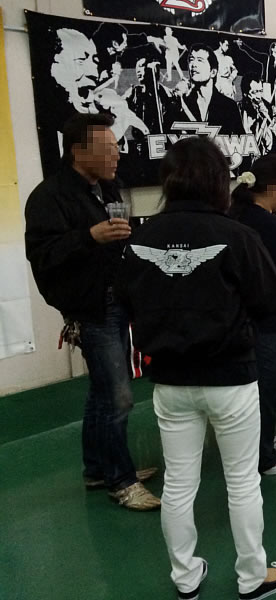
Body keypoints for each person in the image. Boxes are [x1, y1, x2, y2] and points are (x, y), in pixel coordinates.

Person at [117, 137, 276, 600]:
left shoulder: (140, 239)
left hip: (170, 380)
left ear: (169, 180)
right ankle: (253, 577)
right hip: (231, 377)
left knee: (179, 485)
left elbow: (126, 302)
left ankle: (185, 578)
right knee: (242, 482)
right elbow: (270, 300)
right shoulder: (237, 235)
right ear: (220, 180)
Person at [24, 113, 160, 510]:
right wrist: (89, 236)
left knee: (102, 392)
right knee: (118, 397)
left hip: (116, 299)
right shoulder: (49, 197)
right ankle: (121, 481)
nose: (117, 155)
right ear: (78, 151)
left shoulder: (108, 187)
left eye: (117, 148)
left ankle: (97, 468)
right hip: (89, 307)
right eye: (108, 149)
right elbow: (43, 255)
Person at [229, 154, 276, 476]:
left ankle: (261, 439)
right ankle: (263, 456)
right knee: (266, 385)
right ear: (274, 185)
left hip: (247, 316)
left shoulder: (243, 214)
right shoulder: (266, 224)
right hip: (266, 318)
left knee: (258, 384)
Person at [169, 44, 243, 134]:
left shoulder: (229, 107)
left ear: (213, 72)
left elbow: (241, 139)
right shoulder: (181, 104)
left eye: (200, 60)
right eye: (191, 59)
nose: (193, 64)